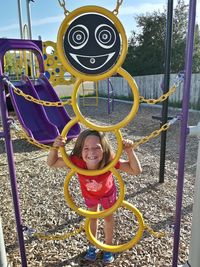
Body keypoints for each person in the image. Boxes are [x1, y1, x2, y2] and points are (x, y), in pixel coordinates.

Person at [47, 129, 142, 264]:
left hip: (107, 194)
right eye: (86, 148)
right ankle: (93, 245)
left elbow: (136, 170)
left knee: (108, 218)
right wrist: (55, 148)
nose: (91, 152)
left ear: (104, 150)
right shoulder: (77, 161)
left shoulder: (109, 160)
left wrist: (130, 151)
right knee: (92, 218)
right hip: (90, 194)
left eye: (96, 148)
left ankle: (107, 247)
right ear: (80, 150)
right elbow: (52, 163)